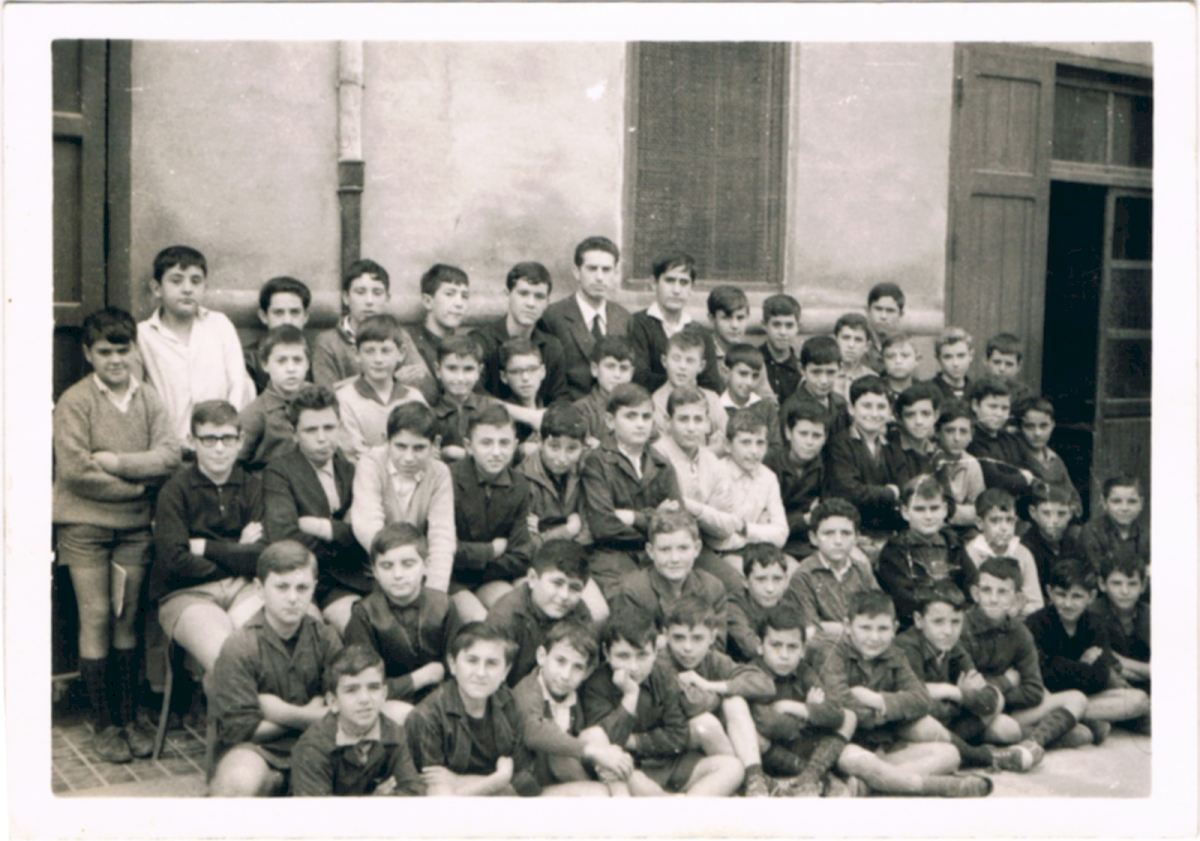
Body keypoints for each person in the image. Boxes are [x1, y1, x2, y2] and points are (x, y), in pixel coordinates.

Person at [53, 307, 180, 762]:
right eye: (104, 352)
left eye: (122, 351)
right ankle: (104, 723)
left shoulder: (148, 399)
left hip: (133, 531)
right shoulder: (75, 402)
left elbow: (169, 455)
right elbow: (76, 471)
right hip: (84, 527)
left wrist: (119, 462)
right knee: (97, 617)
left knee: (127, 618)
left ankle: (129, 717)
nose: (115, 360)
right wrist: (137, 488)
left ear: (134, 351)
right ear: (88, 354)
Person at [820, 591, 991, 797]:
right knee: (857, 760)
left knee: (950, 754)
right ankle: (937, 786)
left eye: (883, 629)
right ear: (848, 626)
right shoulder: (833, 653)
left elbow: (921, 699)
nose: (874, 637)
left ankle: (871, 784)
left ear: (894, 629)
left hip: (883, 747)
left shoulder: (894, 655)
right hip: (844, 744)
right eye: (865, 628)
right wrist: (886, 715)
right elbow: (839, 702)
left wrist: (879, 701)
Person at [208, 540, 343, 796]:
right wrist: (309, 714)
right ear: (260, 589)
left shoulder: (326, 638)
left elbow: (341, 712)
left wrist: (281, 712)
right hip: (260, 750)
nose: (293, 598)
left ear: (314, 588)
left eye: (302, 588)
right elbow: (241, 730)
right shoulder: (240, 645)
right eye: (282, 587)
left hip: (320, 745)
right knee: (239, 780)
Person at [150, 400, 266, 688]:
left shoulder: (253, 487)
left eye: (227, 438)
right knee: (227, 658)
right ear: (192, 441)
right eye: (209, 439)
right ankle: (238, 718)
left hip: (244, 588)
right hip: (188, 594)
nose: (219, 448)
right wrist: (238, 552)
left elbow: (262, 556)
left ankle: (265, 715)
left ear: (240, 440)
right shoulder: (175, 491)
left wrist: (204, 548)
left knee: (269, 650)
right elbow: (175, 561)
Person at [580, 608, 744, 796]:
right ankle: (674, 804)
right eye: (623, 656)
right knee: (626, 773)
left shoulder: (663, 675)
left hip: (669, 764)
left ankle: (679, 805)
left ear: (655, 653)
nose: (633, 667)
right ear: (607, 653)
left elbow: (677, 735)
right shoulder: (595, 685)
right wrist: (630, 696)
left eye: (642, 655)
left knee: (733, 767)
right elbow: (608, 741)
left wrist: (635, 741)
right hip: (631, 768)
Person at [894, 581, 1043, 773]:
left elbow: (989, 698)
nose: (948, 631)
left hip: (947, 722)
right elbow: (918, 708)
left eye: (955, 622)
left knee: (1000, 709)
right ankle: (985, 756)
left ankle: (959, 747)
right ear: (919, 620)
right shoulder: (907, 647)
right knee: (925, 724)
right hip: (913, 726)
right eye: (938, 622)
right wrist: (963, 698)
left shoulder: (953, 646)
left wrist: (954, 693)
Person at [960, 557, 1093, 752]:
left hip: (1013, 710)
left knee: (1078, 699)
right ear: (975, 593)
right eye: (986, 590)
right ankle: (1053, 733)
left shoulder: (1020, 633)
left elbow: (1034, 691)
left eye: (1002, 592)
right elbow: (973, 692)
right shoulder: (961, 628)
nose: (993, 599)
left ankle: (1032, 744)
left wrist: (996, 687)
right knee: (1008, 730)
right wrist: (1007, 681)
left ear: (1016, 599)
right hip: (978, 713)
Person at [263, 384, 368, 633]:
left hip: (355, 577)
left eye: (329, 428)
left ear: (340, 427)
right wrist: (345, 532)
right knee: (347, 628)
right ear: (294, 433)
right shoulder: (279, 472)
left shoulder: (352, 470)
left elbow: (368, 532)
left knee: (374, 626)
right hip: (304, 580)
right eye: (311, 430)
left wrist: (325, 528)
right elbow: (284, 538)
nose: (322, 438)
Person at [405, 622, 542, 796]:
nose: (481, 673)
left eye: (492, 663)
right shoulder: (427, 717)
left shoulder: (508, 702)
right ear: (452, 664)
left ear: (505, 672)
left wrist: (458, 780)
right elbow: (435, 796)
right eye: (472, 661)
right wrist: (497, 780)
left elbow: (526, 780)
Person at [343, 523, 460, 725]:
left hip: (441, 699)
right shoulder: (364, 614)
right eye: (387, 566)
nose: (398, 575)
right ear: (374, 571)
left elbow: (457, 669)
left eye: (408, 564)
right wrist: (419, 678)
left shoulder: (444, 606)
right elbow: (364, 684)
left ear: (426, 565)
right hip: (390, 703)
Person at [658, 597, 775, 797]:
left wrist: (709, 685)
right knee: (706, 722)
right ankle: (743, 780)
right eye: (679, 638)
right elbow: (692, 704)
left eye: (697, 638)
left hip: (707, 746)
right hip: (669, 745)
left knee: (735, 702)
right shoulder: (661, 660)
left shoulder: (711, 659)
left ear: (712, 637)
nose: (687, 647)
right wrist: (721, 697)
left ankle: (754, 778)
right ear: (666, 635)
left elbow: (765, 684)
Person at [511, 621, 645, 795]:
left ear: (587, 672)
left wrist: (630, 695)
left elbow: (604, 736)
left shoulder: (574, 694)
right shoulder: (527, 691)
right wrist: (594, 751)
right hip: (534, 787)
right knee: (598, 792)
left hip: (568, 774)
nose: (566, 675)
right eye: (560, 661)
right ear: (542, 656)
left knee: (632, 776)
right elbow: (534, 731)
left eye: (577, 667)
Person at [137, 245, 255, 443]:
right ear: (157, 289)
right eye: (176, 281)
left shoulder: (219, 325)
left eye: (195, 281)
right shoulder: (144, 335)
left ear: (204, 288)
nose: (187, 289)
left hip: (218, 443)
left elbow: (238, 384)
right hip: (169, 443)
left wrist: (226, 433)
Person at [1025, 558, 1150, 737]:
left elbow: (1100, 676)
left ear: (1091, 597)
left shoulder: (1095, 624)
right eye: (1061, 595)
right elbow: (1044, 674)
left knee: (1139, 700)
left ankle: (1072, 717)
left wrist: (1060, 664)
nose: (1068, 603)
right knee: (1084, 733)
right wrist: (1082, 665)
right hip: (1049, 699)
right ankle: (1078, 718)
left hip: (1086, 698)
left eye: (1076, 596)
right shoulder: (1036, 623)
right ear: (1049, 592)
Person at [579, 383, 682, 598]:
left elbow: (680, 520)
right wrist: (655, 519)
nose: (640, 424)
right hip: (612, 557)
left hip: (657, 554)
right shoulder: (596, 462)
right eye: (631, 416)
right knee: (631, 599)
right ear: (610, 421)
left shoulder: (662, 464)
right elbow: (603, 527)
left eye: (646, 417)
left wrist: (634, 517)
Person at [289, 644, 425, 796]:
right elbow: (316, 809)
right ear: (333, 701)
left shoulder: (394, 734)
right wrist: (372, 802)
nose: (364, 699)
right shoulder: (313, 748)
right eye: (351, 690)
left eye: (373, 687)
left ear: (384, 694)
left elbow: (414, 793)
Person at [348, 402, 456, 593]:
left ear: (435, 444)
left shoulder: (440, 473)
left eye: (419, 448)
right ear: (386, 440)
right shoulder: (370, 464)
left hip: (416, 571)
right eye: (400, 446)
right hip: (371, 569)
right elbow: (368, 527)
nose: (408, 458)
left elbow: (442, 535)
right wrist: (397, 575)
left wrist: (435, 590)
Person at [750, 605, 856, 797]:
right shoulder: (753, 674)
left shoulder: (804, 671)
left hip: (804, 747)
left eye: (792, 647)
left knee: (849, 717)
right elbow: (768, 723)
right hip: (773, 755)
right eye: (776, 645)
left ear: (802, 650)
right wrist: (811, 715)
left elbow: (835, 713)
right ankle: (814, 777)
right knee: (755, 737)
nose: (784, 655)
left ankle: (810, 776)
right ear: (760, 645)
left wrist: (794, 707)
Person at [449, 404, 534, 618]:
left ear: (515, 445)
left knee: (516, 611)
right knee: (479, 619)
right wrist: (490, 550)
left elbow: (521, 555)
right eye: (486, 443)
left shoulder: (520, 485)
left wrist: (473, 562)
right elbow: (444, 548)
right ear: (468, 446)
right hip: (452, 579)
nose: (496, 452)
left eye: (504, 443)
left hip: (492, 576)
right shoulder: (448, 479)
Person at [651, 386, 740, 590]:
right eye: (683, 419)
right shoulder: (656, 456)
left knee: (733, 584)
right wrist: (709, 514)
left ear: (708, 424)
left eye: (698, 420)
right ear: (668, 422)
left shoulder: (711, 461)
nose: (691, 428)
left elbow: (726, 526)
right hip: (666, 548)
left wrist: (692, 507)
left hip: (701, 547)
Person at [311, 258, 432, 396]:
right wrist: (390, 379)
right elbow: (326, 395)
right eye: (360, 292)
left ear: (387, 298)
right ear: (346, 298)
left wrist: (421, 380)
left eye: (377, 293)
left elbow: (430, 393)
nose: (369, 301)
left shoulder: (400, 335)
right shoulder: (327, 342)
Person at [610, 509, 728, 647]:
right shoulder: (634, 591)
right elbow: (634, 646)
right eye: (665, 549)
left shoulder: (712, 588)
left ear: (696, 549)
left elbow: (717, 645)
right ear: (651, 551)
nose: (674, 559)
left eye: (683, 548)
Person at [487, 540, 595, 687]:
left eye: (574, 588)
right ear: (532, 578)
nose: (564, 595)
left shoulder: (579, 612)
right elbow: (493, 682)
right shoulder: (505, 618)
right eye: (557, 583)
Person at [540, 236, 632, 401]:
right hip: (569, 408)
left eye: (606, 270)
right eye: (592, 269)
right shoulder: (553, 316)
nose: (599, 277)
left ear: (615, 273)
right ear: (577, 272)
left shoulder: (623, 317)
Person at [876, 475, 971, 630]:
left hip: (956, 622)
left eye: (934, 508)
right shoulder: (894, 551)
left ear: (945, 509)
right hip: (915, 628)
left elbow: (972, 586)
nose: (928, 516)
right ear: (905, 512)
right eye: (919, 509)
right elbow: (905, 601)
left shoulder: (954, 544)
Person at [707, 410, 789, 586]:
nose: (754, 451)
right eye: (745, 442)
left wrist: (744, 528)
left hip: (760, 551)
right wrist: (762, 529)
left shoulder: (768, 477)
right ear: (728, 445)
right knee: (748, 581)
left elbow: (781, 534)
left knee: (794, 576)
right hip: (723, 554)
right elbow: (718, 538)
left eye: (760, 443)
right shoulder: (715, 473)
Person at [334, 314, 428, 463]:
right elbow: (354, 453)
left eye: (385, 351)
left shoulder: (414, 398)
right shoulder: (344, 399)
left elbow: (425, 447)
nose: (378, 359)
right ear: (356, 354)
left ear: (401, 353)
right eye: (369, 351)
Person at [472, 261, 567, 407]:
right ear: (507, 295)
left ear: (547, 302)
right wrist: (527, 415)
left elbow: (560, 399)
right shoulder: (482, 342)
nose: (531, 303)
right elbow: (474, 394)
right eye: (523, 293)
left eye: (539, 296)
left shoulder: (552, 347)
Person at [789, 499, 881, 648]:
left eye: (846, 533)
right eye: (829, 533)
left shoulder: (861, 569)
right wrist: (858, 629)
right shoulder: (804, 576)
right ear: (813, 538)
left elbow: (879, 616)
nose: (838, 541)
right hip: (825, 652)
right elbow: (812, 632)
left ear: (856, 537)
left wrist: (831, 627)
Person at [629, 252, 720, 393]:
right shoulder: (637, 324)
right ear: (654, 283)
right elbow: (639, 378)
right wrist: (688, 381)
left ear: (692, 288)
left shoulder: (702, 334)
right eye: (669, 281)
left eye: (684, 282)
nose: (676, 290)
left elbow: (712, 384)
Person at [826, 375, 905, 534]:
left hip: (888, 530)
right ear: (851, 409)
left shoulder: (892, 445)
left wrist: (881, 493)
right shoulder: (839, 445)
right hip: (853, 530)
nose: (874, 413)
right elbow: (850, 493)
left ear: (890, 411)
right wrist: (890, 493)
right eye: (867, 406)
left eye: (881, 407)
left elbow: (903, 487)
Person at [518, 402, 591, 551]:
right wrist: (568, 530)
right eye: (554, 447)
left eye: (572, 449)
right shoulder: (522, 478)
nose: (562, 458)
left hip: (582, 553)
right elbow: (526, 546)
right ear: (540, 442)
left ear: (583, 448)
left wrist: (545, 531)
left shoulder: (586, 469)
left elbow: (593, 529)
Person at [237, 325, 310, 471]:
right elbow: (236, 463)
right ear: (265, 365)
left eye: (297, 360)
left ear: (307, 364)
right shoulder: (255, 414)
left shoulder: (318, 401)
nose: (291, 369)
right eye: (281, 361)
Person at [963, 488, 1044, 616]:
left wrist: (1017, 610)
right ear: (980, 523)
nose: (1004, 528)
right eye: (995, 521)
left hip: (1017, 619)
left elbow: (1036, 603)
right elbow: (969, 601)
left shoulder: (1022, 553)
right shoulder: (970, 553)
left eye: (1009, 520)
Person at [765, 402, 829, 562]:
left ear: (825, 438)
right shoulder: (770, 462)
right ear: (788, 433)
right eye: (803, 434)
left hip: (811, 540)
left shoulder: (826, 466)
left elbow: (826, 511)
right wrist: (805, 519)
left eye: (816, 436)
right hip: (774, 542)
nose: (809, 442)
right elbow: (765, 520)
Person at [727, 544, 809, 663]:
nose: (770, 588)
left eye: (777, 579)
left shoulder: (790, 604)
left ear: (786, 580)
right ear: (745, 581)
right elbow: (751, 647)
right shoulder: (733, 605)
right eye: (761, 579)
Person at [650, 329, 728, 452]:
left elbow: (727, 439)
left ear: (701, 366)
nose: (682, 366)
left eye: (690, 360)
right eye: (676, 359)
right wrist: (708, 451)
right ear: (664, 361)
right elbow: (662, 450)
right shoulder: (656, 402)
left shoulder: (711, 399)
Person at [429, 335, 501, 464]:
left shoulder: (491, 408)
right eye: (452, 368)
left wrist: (461, 454)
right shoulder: (430, 413)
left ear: (479, 371)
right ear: (438, 370)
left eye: (468, 369)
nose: (460, 378)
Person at [407, 263, 471, 404]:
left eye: (464, 296)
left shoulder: (467, 344)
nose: (459, 303)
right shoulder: (409, 342)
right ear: (427, 301)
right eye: (450, 294)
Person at [1014, 396, 1082, 518]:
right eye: (1030, 426)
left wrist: (1069, 513)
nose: (1037, 433)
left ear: (1052, 425)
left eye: (1044, 426)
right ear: (1020, 428)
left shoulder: (1054, 459)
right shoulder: (1015, 456)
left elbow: (1074, 498)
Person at [966, 376, 1036, 497]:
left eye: (1005, 408)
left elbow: (1033, 473)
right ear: (975, 405)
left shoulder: (1010, 440)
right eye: (993, 406)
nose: (999, 414)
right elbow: (995, 480)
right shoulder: (971, 440)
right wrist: (1023, 479)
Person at [1089, 554, 1150, 688]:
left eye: (1132, 583)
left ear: (1143, 585)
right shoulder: (1091, 615)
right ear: (1102, 584)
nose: (1125, 591)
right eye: (1116, 583)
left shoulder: (1151, 615)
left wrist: (1122, 661)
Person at [244, 276, 312, 394]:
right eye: (278, 313)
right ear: (264, 316)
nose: (287, 320)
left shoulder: (317, 355)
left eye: (295, 312)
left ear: (305, 316)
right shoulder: (249, 360)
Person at [778, 335, 850, 441]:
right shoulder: (791, 409)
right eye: (816, 372)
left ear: (840, 369)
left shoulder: (840, 403)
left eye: (830, 372)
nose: (824, 381)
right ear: (802, 369)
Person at [572, 336, 635, 451]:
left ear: (631, 373)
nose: (617, 375)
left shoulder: (639, 408)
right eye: (610, 367)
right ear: (595, 369)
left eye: (623, 368)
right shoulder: (581, 410)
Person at [1077, 476, 1149, 576]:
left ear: (1141, 503)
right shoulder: (1092, 532)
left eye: (1132, 501)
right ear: (1104, 503)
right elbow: (1097, 571)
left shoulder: (1147, 535)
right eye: (1116, 501)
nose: (1124, 508)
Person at [707, 285, 769, 399]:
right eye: (726, 318)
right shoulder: (703, 353)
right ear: (712, 319)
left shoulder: (751, 355)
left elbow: (767, 399)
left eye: (740, 318)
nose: (735, 325)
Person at [931, 400, 985, 529]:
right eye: (950, 431)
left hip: (961, 530)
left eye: (963, 432)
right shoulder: (929, 458)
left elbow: (979, 510)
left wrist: (948, 513)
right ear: (937, 433)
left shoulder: (972, 464)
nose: (957, 438)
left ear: (971, 436)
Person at [1020, 484, 1082, 595]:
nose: (1054, 521)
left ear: (1071, 514)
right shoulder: (1027, 546)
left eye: (1061, 513)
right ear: (1033, 512)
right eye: (1046, 513)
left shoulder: (1076, 540)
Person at [497, 338, 549, 458]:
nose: (525, 377)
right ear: (504, 376)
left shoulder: (548, 407)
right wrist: (519, 452)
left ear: (543, 371)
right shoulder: (502, 417)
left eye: (532, 369)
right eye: (516, 371)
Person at [884, 382, 943, 488]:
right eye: (910, 415)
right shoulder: (891, 450)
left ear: (936, 415)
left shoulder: (936, 452)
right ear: (900, 418)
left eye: (925, 414)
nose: (919, 421)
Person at [719, 343, 779, 446]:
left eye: (755, 376)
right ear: (726, 372)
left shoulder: (767, 408)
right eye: (743, 374)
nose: (749, 382)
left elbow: (776, 447)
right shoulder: (717, 408)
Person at [759, 294, 804, 403]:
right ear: (764, 325)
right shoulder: (753, 362)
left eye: (789, 325)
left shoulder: (801, 369)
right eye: (776, 325)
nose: (783, 332)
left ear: (798, 327)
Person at [830, 313, 876, 402]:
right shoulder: (822, 374)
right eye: (846, 338)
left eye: (858, 340)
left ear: (867, 346)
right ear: (835, 341)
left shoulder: (872, 378)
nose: (851, 345)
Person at [864, 282, 906, 374]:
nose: (883, 316)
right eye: (878, 309)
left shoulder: (906, 348)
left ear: (900, 314)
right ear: (868, 311)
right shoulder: (859, 343)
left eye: (890, 311)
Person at [983, 332, 1034, 408]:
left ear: (1018, 367)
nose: (1002, 369)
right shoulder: (977, 390)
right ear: (986, 362)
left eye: (1009, 364)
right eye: (997, 362)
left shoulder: (1025, 396)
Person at [927, 326, 974, 404]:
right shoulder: (927, 391)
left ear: (971, 356)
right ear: (938, 359)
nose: (955, 363)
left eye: (961, 356)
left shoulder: (977, 392)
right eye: (948, 357)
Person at [880, 332, 919, 408]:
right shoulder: (874, 392)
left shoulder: (926, 393)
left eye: (905, 355)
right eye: (890, 356)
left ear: (917, 360)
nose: (898, 361)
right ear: (883, 362)